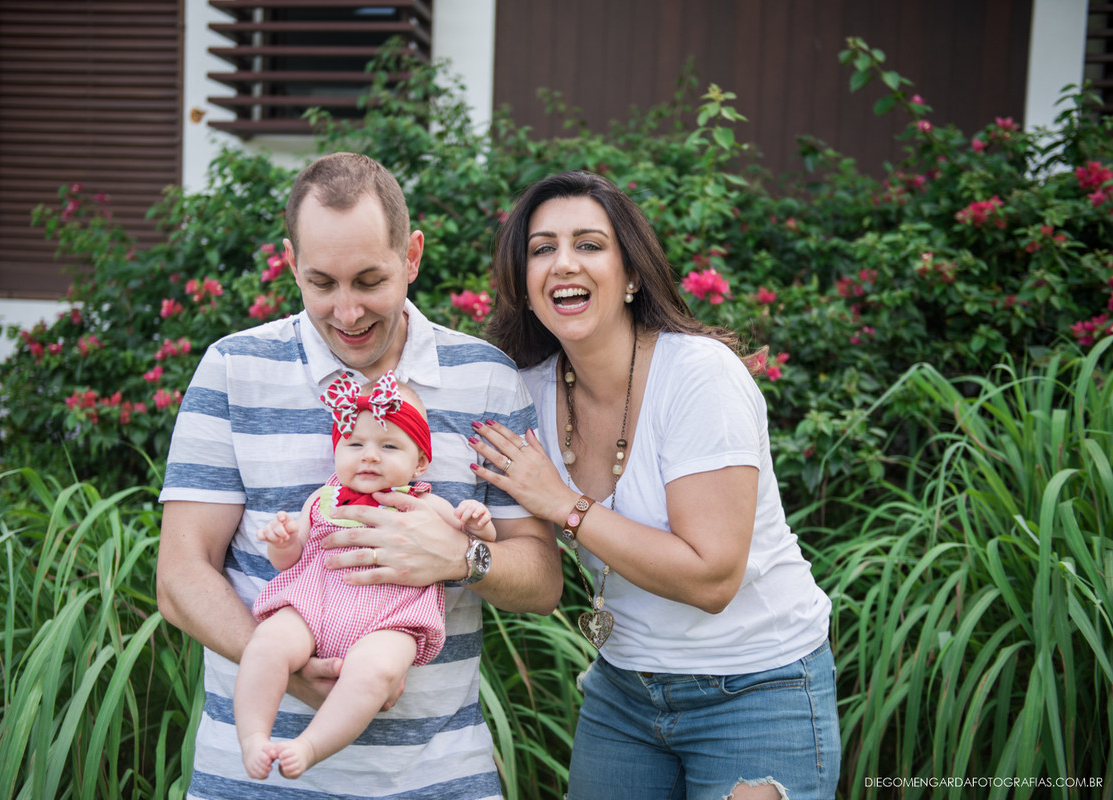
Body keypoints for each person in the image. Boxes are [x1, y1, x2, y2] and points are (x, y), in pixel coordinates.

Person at [156, 152, 562, 799]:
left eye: (370, 280)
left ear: (412, 257)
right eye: (322, 283)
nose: (347, 313)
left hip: (437, 780)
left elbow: (542, 580)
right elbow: (180, 577)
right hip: (251, 784)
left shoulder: (486, 379)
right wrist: (292, 670)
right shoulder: (233, 369)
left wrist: (463, 557)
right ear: (291, 264)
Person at [468, 170, 840, 800]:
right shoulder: (523, 393)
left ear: (632, 276)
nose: (564, 263)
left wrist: (565, 505)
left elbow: (712, 579)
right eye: (542, 248)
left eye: (589, 245)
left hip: (757, 684)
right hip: (624, 691)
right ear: (524, 285)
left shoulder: (698, 376)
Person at [235, 372, 498, 779]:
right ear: (337, 451)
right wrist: (282, 541)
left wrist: (478, 522)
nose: (370, 456)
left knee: (377, 672)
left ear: (420, 462)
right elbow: (289, 560)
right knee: (267, 643)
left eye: (389, 446)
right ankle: (254, 735)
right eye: (355, 444)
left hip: (391, 621)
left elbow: (476, 543)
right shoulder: (323, 500)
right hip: (313, 606)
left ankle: (310, 745)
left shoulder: (427, 505)